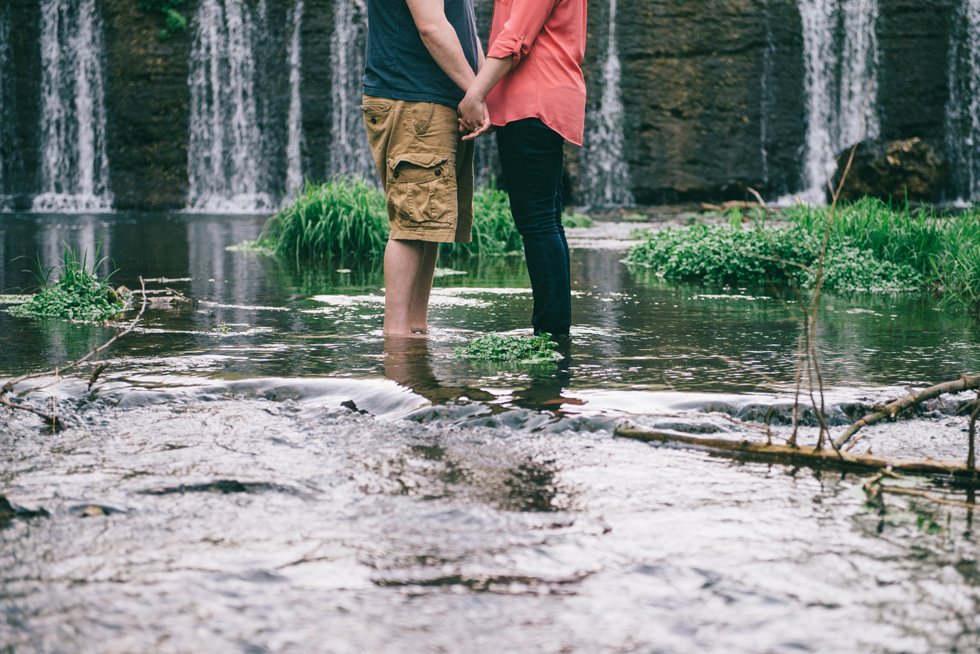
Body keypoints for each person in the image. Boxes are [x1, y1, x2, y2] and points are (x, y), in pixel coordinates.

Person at [458, 0, 586, 339]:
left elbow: (515, 37)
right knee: (545, 219)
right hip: (537, 102)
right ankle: (554, 329)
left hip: (532, 104)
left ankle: (550, 331)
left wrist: (475, 94)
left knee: (538, 221)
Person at [362, 0, 485, 336]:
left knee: (424, 225)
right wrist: (475, 90)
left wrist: (482, 87)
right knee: (412, 223)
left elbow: (464, 29)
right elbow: (431, 27)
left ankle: (414, 338)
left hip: (434, 101)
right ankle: (399, 347)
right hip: (415, 101)